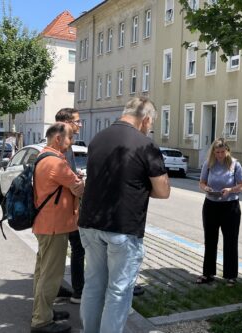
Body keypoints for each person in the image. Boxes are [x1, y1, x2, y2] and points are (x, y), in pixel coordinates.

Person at [78, 97, 170, 333]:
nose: (149, 129)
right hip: (122, 226)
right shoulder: (145, 145)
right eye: (150, 125)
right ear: (146, 119)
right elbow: (163, 191)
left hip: (89, 223)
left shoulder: (98, 138)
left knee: (93, 286)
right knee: (118, 291)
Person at [31, 123, 85, 333]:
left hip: (44, 224)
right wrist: (80, 182)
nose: (71, 142)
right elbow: (78, 188)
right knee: (51, 275)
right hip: (54, 226)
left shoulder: (43, 156)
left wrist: (76, 182)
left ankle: (43, 312)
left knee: (42, 272)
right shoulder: (56, 162)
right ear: (57, 139)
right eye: (70, 138)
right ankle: (41, 322)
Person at [197, 138, 242, 286]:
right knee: (210, 240)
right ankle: (208, 273)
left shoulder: (235, 164)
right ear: (213, 152)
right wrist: (206, 189)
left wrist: (230, 190)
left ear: (227, 151)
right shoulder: (208, 164)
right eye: (217, 152)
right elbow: (202, 182)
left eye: (222, 152)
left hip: (230, 206)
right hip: (211, 205)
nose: (219, 155)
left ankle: (231, 276)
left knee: (230, 241)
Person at [54, 108, 85, 304]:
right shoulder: (61, 146)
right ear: (66, 123)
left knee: (71, 248)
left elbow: (67, 174)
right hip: (63, 208)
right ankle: (78, 291)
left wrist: (75, 176)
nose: (80, 124)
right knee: (75, 248)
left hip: (65, 207)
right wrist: (79, 183)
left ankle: (61, 288)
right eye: (77, 121)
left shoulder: (65, 144)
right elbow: (64, 177)